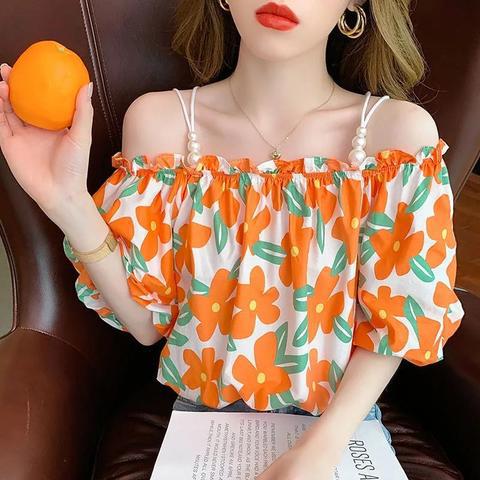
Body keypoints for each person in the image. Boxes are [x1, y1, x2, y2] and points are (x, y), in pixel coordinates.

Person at [0, 0, 465, 478]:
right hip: (203, 431)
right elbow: (145, 324)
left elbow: (397, 318)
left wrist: (318, 450)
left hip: (342, 432)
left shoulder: (397, 139)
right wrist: (66, 202)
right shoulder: (161, 125)